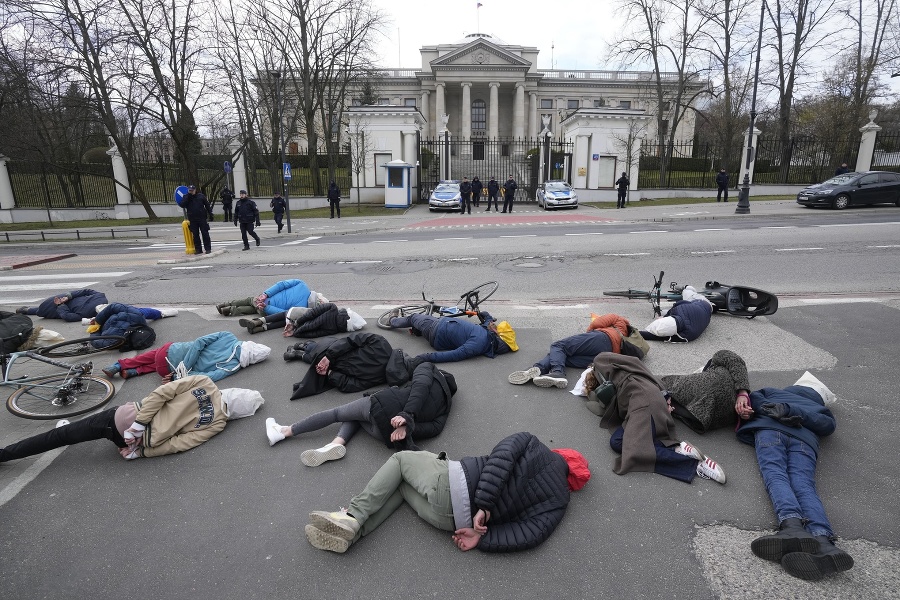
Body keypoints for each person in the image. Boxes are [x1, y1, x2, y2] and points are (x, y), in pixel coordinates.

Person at [303, 431, 590, 554]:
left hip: (456, 484)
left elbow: (502, 457)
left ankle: (352, 514)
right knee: (402, 487)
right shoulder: (560, 501)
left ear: (562, 455)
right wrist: (481, 539)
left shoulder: (534, 445)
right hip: (452, 523)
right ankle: (352, 534)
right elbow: (531, 534)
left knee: (401, 460)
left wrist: (486, 503)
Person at [736, 372, 853, 581]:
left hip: (770, 430)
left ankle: (792, 525)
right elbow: (828, 427)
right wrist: (795, 412)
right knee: (804, 485)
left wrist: (768, 410)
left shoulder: (774, 392)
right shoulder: (821, 409)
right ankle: (823, 540)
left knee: (776, 473)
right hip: (805, 441)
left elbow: (754, 401)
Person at [0, 375, 264, 462]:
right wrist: (141, 453)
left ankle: (5, 454)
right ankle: (69, 429)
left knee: (59, 437)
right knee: (80, 431)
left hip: (127, 418)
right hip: (137, 441)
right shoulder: (218, 423)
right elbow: (182, 443)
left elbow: (161, 393)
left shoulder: (205, 382)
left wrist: (138, 423)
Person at [266, 361, 457, 467]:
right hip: (384, 433)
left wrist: (408, 415)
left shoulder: (428, 369)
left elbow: (420, 388)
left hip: (382, 407)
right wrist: (407, 430)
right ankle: (336, 444)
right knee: (355, 416)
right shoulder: (446, 407)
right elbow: (434, 429)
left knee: (337, 413)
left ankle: (285, 431)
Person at [590, 353, 727, 485]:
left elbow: (604, 407)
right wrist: (666, 398)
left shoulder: (605, 366)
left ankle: (695, 463)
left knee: (626, 446)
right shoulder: (633, 370)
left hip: (643, 406)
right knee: (622, 441)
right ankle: (681, 450)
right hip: (651, 402)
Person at [508, 313, 643, 389]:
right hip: (605, 357)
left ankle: (556, 372)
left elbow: (596, 323)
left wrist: (588, 333)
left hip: (602, 338)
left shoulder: (619, 320)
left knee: (558, 346)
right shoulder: (626, 341)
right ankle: (539, 370)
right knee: (562, 356)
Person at [286, 332, 410, 400]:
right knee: (318, 361)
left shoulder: (381, 343)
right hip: (336, 366)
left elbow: (350, 340)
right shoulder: (382, 377)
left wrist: (329, 356)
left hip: (335, 352)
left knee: (322, 351)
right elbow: (352, 385)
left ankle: (304, 348)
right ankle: (301, 353)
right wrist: (330, 373)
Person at [102, 331, 270, 381]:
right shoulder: (234, 365)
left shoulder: (228, 336)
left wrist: (186, 363)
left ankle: (119, 366)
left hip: (169, 351)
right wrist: (180, 374)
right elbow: (207, 377)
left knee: (154, 354)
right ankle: (134, 372)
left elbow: (199, 342)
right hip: (168, 371)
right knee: (162, 365)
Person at [658, 350, 752, 434]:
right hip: (712, 415)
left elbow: (731, 358)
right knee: (677, 393)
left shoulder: (716, 360)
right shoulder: (735, 378)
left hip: (708, 405)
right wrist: (743, 393)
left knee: (666, 384)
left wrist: (743, 393)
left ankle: (665, 402)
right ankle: (667, 403)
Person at [384, 311, 518, 363]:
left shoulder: (478, 343)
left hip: (436, 330)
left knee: (413, 317)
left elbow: (455, 355)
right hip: (440, 327)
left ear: (497, 333)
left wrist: (425, 357)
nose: (494, 324)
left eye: (496, 326)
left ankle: (392, 321)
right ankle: (418, 331)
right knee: (422, 323)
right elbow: (488, 321)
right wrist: (486, 315)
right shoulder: (488, 336)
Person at [217, 279, 324, 319]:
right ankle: (230, 310)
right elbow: (285, 313)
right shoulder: (303, 310)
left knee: (251, 300)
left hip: (267, 298)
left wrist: (266, 294)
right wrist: (266, 308)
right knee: (255, 309)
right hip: (267, 310)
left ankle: (228, 304)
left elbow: (281, 285)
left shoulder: (302, 284)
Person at [640, 286, 714, 343]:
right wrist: (664, 316)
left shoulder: (687, 335)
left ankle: (685, 288)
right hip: (701, 302)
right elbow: (680, 303)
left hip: (707, 311)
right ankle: (686, 288)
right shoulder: (682, 309)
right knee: (686, 291)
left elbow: (658, 337)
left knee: (659, 312)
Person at [88, 302, 154, 350]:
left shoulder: (111, 338)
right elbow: (114, 306)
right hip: (134, 319)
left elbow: (97, 343)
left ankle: (160, 313)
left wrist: (94, 330)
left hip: (134, 323)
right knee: (142, 312)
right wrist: (97, 322)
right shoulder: (135, 314)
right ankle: (160, 313)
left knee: (143, 312)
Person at [278, 302, 366, 338]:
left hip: (299, 317)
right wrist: (296, 333)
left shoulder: (332, 308)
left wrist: (296, 323)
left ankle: (264, 321)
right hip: (301, 329)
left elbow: (312, 313)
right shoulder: (334, 330)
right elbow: (314, 334)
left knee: (284, 314)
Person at [16, 288, 107, 322]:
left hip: (62, 303)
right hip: (63, 302)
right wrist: (68, 297)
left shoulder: (101, 297)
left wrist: (61, 304)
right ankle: (27, 310)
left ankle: (27, 310)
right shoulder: (86, 313)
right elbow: (68, 317)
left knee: (44, 310)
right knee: (44, 309)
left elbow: (68, 316)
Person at [183, 184, 213, 254]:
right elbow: (182, 204)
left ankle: (208, 248)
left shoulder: (201, 196)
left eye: (192, 190)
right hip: (192, 219)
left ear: (195, 190)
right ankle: (198, 249)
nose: (191, 192)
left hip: (202, 218)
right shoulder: (186, 197)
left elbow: (207, 205)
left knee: (205, 233)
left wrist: (210, 213)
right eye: (190, 190)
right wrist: (188, 196)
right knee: (195, 235)